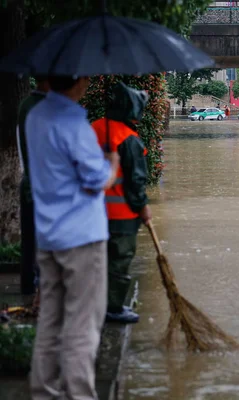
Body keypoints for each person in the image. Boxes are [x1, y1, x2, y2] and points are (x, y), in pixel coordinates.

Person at [26, 76, 120, 400]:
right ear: (79, 81)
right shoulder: (73, 122)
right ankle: (79, 394)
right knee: (82, 324)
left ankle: (44, 392)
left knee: (50, 320)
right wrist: (112, 165)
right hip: (81, 238)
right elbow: (96, 180)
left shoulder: (35, 117)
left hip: (48, 235)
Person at [91, 82, 152, 324]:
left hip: (91, 211)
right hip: (121, 213)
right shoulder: (128, 139)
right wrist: (143, 208)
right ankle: (113, 307)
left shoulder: (93, 128)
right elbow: (136, 181)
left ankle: (95, 303)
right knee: (118, 260)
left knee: (97, 259)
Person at [16, 76, 50, 299]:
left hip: (28, 182)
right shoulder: (42, 108)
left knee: (29, 238)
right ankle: (37, 282)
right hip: (43, 186)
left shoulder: (25, 105)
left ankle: (28, 283)